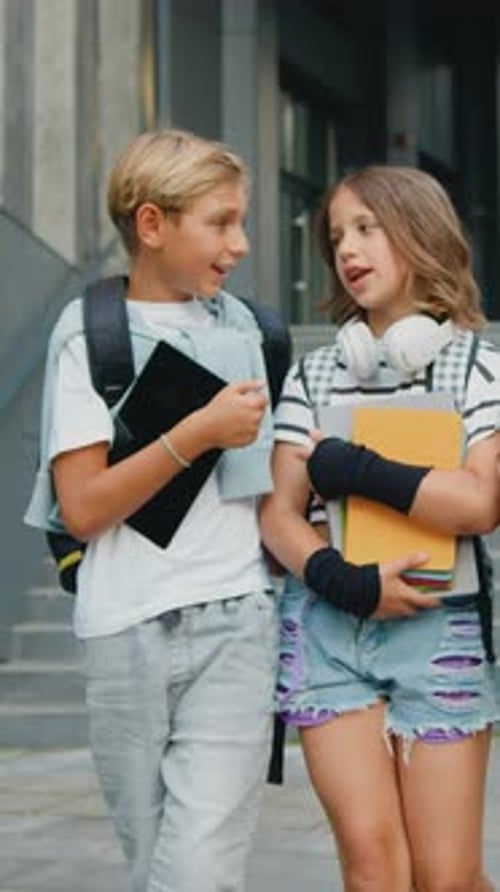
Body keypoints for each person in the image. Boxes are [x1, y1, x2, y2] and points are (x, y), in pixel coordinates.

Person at [25, 129, 279, 892]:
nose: (239, 243)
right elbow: (83, 506)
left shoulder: (253, 331)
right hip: (124, 630)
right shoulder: (89, 339)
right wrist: (195, 432)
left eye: (241, 221)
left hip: (238, 624)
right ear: (151, 224)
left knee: (198, 872)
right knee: (156, 869)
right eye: (220, 221)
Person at [260, 165, 500, 892]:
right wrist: (349, 583)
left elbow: (480, 502)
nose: (347, 249)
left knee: (446, 877)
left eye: (367, 227)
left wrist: (353, 466)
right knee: (372, 866)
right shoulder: (314, 374)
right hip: (330, 627)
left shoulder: (477, 365)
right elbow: (278, 511)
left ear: (420, 233)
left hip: (442, 628)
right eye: (336, 235)